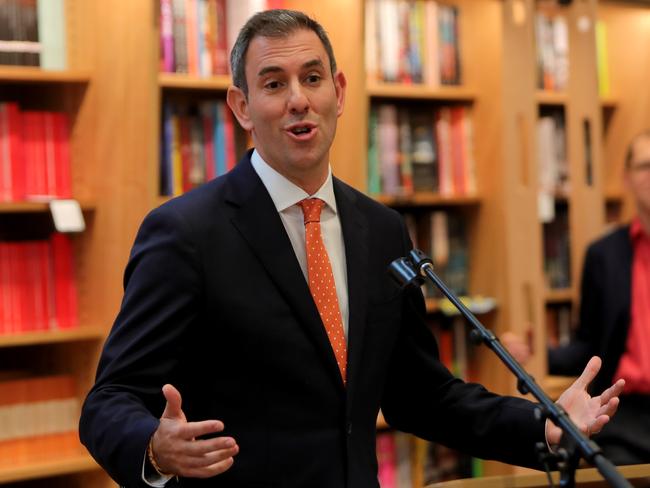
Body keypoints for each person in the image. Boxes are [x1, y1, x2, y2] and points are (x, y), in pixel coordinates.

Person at [79, 9, 624, 488]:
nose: (298, 100)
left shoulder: (381, 228)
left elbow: (421, 396)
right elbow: (109, 400)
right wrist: (153, 448)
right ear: (242, 107)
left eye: (312, 78)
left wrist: (546, 424)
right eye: (273, 84)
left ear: (338, 92)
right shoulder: (184, 233)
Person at [504, 130, 650, 465]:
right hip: (624, 416)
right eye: (645, 166)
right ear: (626, 178)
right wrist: (538, 355)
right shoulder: (604, 256)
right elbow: (589, 347)